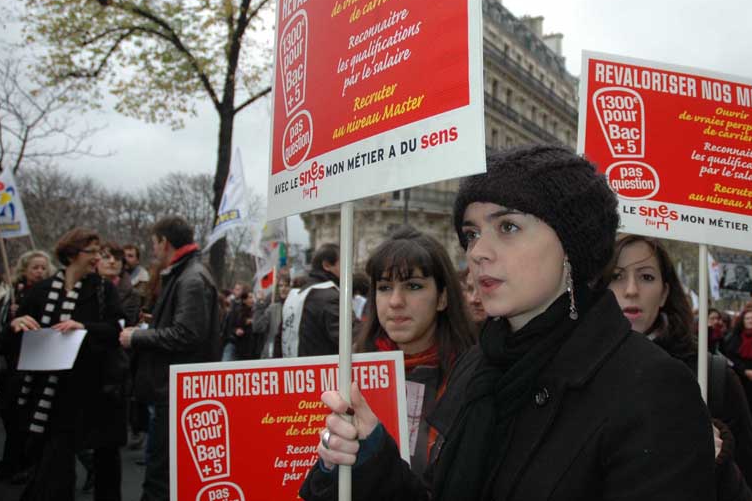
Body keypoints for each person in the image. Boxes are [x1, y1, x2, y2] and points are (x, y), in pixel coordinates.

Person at [301, 144, 715, 501]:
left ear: (572, 246)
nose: (478, 251)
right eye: (471, 233)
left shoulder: (653, 389)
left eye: (508, 227)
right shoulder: (477, 367)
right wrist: (373, 457)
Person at [608, 234, 752, 501]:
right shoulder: (569, 372)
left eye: (647, 277)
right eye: (616, 276)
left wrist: (720, 466)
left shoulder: (712, 377)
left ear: (664, 294)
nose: (631, 290)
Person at [9, 228, 126, 501]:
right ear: (73, 255)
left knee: (106, 461)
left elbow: (115, 329)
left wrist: (83, 327)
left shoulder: (103, 290)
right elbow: (12, 337)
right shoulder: (42, 291)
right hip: (54, 393)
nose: (97, 258)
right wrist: (16, 323)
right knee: (55, 465)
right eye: (92, 252)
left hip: (96, 390)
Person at [354, 226, 476, 478]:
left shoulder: (475, 377)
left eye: (413, 286)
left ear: (442, 298)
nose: (396, 301)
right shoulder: (351, 372)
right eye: (385, 287)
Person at [120, 215, 220, 501]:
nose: (152, 250)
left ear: (165, 242)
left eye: (154, 243)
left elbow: (188, 334)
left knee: (161, 474)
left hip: (175, 391)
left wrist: (136, 337)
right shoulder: (188, 273)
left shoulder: (190, 277)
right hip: (172, 388)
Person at [0, 250, 54, 483]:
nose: (39, 272)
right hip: (13, 363)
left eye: (43, 267)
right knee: (12, 415)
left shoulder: (52, 294)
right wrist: (12, 320)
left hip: (39, 362)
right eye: (34, 267)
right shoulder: (11, 295)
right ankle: (11, 462)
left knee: (31, 418)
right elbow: (1, 334)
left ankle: (28, 465)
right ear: (25, 270)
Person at [281, 243, 342, 357]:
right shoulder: (330, 297)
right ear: (327, 265)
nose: (350, 270)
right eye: (343, 264)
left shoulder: (295, 295)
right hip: (325, 371)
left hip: (295, 370)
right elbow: (349, 339)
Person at [254, 280, 290, 358]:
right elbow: (258, 327)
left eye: (286, 286)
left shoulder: (296, 307)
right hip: (272, 355)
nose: (283, 289)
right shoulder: (273, 308)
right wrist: (260, 305)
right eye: (281, 286)